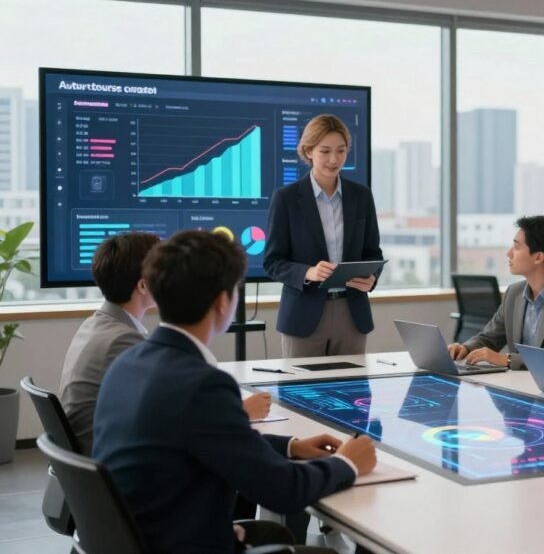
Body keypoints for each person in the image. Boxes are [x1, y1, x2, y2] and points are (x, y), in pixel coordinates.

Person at [93, 230, 377, 554]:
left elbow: (210, 437)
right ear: (222, 301)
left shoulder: (126, 364)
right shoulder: (204, 385)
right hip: (184, 544)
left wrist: (290, 447)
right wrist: (347, 463)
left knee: (272, 534)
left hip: (141, 539)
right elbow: (283, 491)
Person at [59, 232, 270, 454]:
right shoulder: (122, 341)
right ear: (143, 285)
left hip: (94, 453)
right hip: (106, 457)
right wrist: (239, 412)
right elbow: (168, 416)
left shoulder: (97, 324)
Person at [264, 114, 383, 358]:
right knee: (301, 384)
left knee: (352, 383)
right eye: (325, 151)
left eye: (341, 151)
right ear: (308, 151)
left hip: (352, 313)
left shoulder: (361, 196)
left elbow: (373, 252)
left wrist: (372, 277)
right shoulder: (286, 198)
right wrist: (308, 272)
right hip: (303, 315)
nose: (334, 159)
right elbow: (273, 261)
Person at [447, 216, 544, 369]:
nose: (509, 253)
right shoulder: (513, 293)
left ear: (538, 257)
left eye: (516, 247)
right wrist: (465, 348)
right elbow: (490, 337)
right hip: (517, 380)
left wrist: (508, 360)